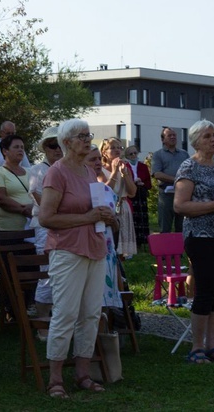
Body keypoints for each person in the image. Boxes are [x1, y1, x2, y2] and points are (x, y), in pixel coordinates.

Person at [39, 120, 113, 398]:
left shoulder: (87, 170)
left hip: (94, 247)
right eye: (82, 136)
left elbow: (93, 207)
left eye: (88, 135)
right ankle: (55, 378)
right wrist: (87, 218)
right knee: (66, 313)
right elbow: (46, 217)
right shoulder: (57, 173)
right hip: (67, 249)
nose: (88, 140)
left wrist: (106, 214)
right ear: (67, 142)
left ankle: (83, 374)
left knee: (91, 313)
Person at [174, 120, 214, 364]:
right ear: (195, 141)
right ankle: (197, 347)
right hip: (201, 238)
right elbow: (180, 206)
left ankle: (213, 345)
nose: (213, 139)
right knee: (205, 290)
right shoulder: (189, 167)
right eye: (207, 136)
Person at [28, 126, 62, 339]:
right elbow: (41, 199)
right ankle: (42, 324)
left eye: (60, 144)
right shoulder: (38, 170)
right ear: (45, 148)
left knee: (62, 273)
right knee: (47, 273)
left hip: (65, 226)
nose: (57, 149)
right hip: (45, 226)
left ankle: (59, 322)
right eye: (52, 145)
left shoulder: (68, 168)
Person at [86, 145, 122, 309]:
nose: (97, 162)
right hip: (87, 246)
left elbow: (115, 225)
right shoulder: (79, 189)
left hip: (108, 248)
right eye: (92, 159)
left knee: (107, 292)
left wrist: (113, 220)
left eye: (98, 158)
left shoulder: (107, 189)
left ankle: (109, 327)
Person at [100, 137, 136, 257]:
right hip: (109, 208)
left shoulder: (125, 168)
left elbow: (132, 192)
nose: (117, 151)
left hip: (123, 207)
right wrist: (114, 172)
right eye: (112, 148)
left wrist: (124, 174)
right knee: (111, 246)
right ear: (104, 152)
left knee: (122, 252)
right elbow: (105, 190)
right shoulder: (100, 170)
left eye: (119, 148)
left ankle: (121, 273)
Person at [0, 135, 32, 231]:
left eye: (22, 147)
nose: (20, 150)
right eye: (16, 147)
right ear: (5, 151)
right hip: (8, 231)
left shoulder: (30, 172)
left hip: (32, 230)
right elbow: (0, 198)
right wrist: (25, 210)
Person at [152, 127, 189, 233]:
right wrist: (176, 179)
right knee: (165, 226)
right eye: (169, 135)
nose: (173, 137)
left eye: (174, 135)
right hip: (166, 195)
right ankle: (165, 248)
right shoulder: (158, 154)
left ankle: (180, 248)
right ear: (163, 139)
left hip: (182, 194)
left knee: (181, 226)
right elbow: (157, 174)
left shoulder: (184, 154)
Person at [124, 144, 151, 247]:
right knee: (133, 217)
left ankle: (143, 239)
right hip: (130, 195)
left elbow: (149, 184)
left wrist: (142, 183)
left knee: (142, 217)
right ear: (127, 156)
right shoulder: (125, 166)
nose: (133, 155)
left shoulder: (143, 166)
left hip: (141, 193)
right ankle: (134, 240)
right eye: (131, 154)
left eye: (135, 153)